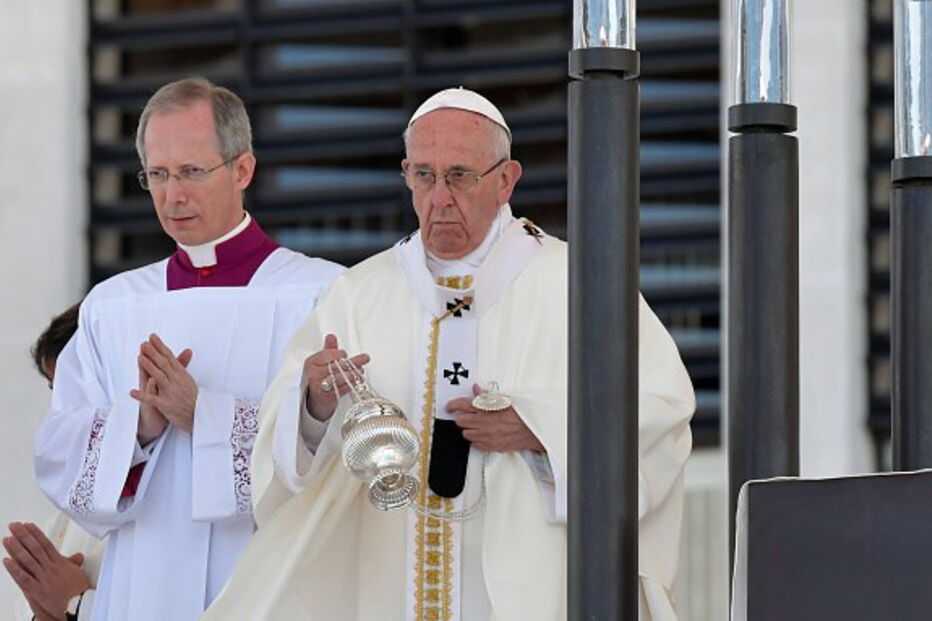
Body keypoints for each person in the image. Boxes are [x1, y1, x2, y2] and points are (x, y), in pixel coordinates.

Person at [202, 88, 696, 621]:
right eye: (423, 176)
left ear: (506, 180)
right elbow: (285, 455)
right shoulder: (360, 294)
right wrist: (314, 406)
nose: (439, 197)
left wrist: (539, 429)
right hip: (387, 584)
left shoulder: (579, 285)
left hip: (531, 589)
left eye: (459, 175)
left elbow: (661, 409)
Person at [33, 77, 343, 621]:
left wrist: (206, 416)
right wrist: (140, 427)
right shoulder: (112, 307)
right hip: (141, 587)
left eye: (192, 172)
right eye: (157, 174)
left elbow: (350, 466)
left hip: (270, 586)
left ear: (242, 169)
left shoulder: (322, 295)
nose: (172, 195)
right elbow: (60, 458)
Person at [4, 303, 103, 621]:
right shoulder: (75, 496)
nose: (65, 412)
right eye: (55, 392)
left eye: (77, 390)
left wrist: (78, 605)